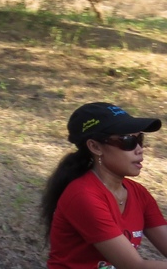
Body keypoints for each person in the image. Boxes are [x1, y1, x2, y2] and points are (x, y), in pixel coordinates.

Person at [41, 102, 167, 269]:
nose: (139, 149)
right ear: (95, 147)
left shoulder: (139, 193)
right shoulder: (83, 196)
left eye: (139, 139)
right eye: (128, 141)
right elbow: (133, 266)